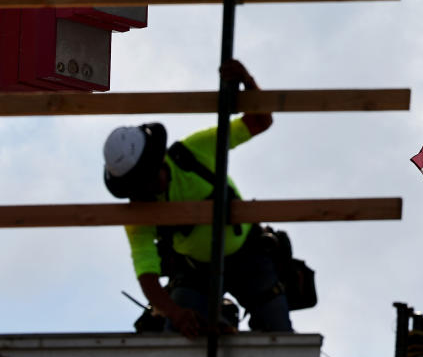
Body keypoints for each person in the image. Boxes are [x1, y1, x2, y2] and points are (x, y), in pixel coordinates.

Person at [102, 60, 292, 338]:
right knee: (174, 347)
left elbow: (260, 121)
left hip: (249, 254)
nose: (144, 193)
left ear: (156, 163)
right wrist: (177, 314)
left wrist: (247, 82)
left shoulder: (193, 152)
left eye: (145, 183)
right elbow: (147, 272)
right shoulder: (139, 209)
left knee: (281, 340)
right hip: (194, 271)